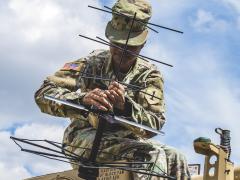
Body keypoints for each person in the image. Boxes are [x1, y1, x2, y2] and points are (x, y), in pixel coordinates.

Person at [35, 0, 190, 179]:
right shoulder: (92, 63)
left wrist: (125, 107)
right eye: (117, 45)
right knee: (151, 157)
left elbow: (154, 125)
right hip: (85, 138)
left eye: (130, 47)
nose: (122, 52)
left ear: (142, 45)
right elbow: (43, 94)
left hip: (129, 142)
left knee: (176, 158)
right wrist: (82, 100)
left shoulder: (149, 76)